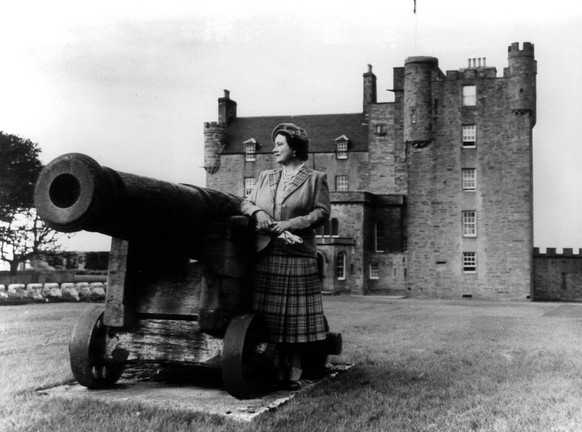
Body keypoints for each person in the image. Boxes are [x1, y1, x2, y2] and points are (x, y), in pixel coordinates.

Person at [241, 122, 330, 390]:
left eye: (280, 144)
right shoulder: (266, 177)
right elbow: (246, 202)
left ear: (294, 148)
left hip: (298, 255)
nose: (274, 149)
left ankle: (292, 370)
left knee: (293, 321)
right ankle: (269, 366)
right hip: (266, 251)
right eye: (275, 144)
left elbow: (322, 213)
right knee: (268, 318)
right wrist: (259, 214)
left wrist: (289, 224)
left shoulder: (316, 178)